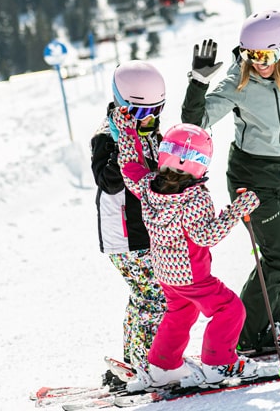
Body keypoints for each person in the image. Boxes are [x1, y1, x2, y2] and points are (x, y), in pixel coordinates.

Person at [181, 11, 280, 355]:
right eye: (250, 54)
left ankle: (267, 324)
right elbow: (195, 122)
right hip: (250, 180)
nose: (258, 63)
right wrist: (198, 81)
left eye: (265, 56)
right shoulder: (238, 80)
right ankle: (247, 335)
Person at [110, 109, 261, 391]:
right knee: (230, 309)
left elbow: (130, 164)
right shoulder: (194, 198)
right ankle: (218, 363)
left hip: (166, 273)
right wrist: (238, 209)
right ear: (200, 164)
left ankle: (163, 366)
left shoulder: (147, 186)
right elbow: (206, 235)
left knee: (180, 312)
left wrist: (126, 127)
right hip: (193, 275)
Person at [90, 60, 168, 382]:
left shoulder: (151, 132)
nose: (147, 119)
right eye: (139, 113)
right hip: (125, 234)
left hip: (145, 230)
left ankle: (133, 362)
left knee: (146, 295)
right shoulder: (105, 137)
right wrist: (124, 140)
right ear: (121, 105)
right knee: (154, 296)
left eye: (156, 110)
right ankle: (142, 364)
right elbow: (108, 182)